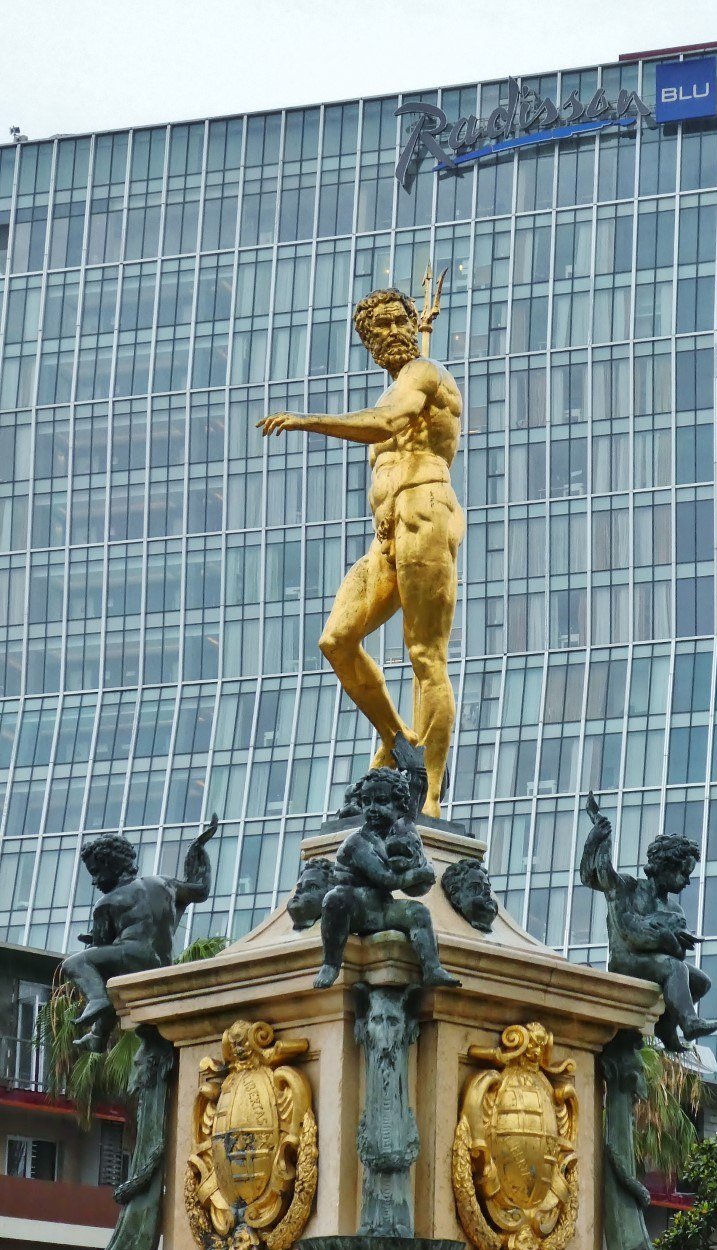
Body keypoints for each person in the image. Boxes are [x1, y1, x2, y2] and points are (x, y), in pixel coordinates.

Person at [258, 287, 463, 819]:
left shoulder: (425, 374)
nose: (393, 333)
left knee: (425, 656)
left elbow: (387, 425)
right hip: (387, 534)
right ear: (370, 343)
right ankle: (400, 744)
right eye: (382, 328)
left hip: (426, 514)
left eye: (401, 321)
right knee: (337, 639)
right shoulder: (394, 388)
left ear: (413, 323)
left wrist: (308, 421)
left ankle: (432, 800)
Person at [62, 817, 219, 1051]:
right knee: (111, 986)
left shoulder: (106, 903)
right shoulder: (164, 884)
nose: (94, 881)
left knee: (75, 964)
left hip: (135, 956)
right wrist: (197, 851)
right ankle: (98, 1036)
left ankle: (96, 1002)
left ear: (112, 864)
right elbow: (200, 890)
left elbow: (101, 943)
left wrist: (92, 944)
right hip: (163, 962)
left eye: (96, 872)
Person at [579, 793, 717, 1052]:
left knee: (701, 981)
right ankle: (689, 1023)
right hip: (626, 961)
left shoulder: (674, 909)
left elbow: (679, 952)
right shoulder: (629, 888)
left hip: (652, 963)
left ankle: (667, 1026)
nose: (686, 882)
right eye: (683, 874)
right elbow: (594, 876)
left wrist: (671, 939)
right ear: (665, 866)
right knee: (676, 970)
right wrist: (599, 837)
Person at [305, 768, 459, 992]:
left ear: (399, 805)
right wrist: (421, 873)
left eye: (381, 801)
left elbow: (416, 891)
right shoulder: (357, 842)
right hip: (354, 909)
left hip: (381, 908)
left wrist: (420, 871)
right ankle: (330, 963)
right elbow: (386, 879)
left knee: (418, 912)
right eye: (366, 802)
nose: (372, 808)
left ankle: (431, 967)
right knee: (335, 898)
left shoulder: (402, 833)